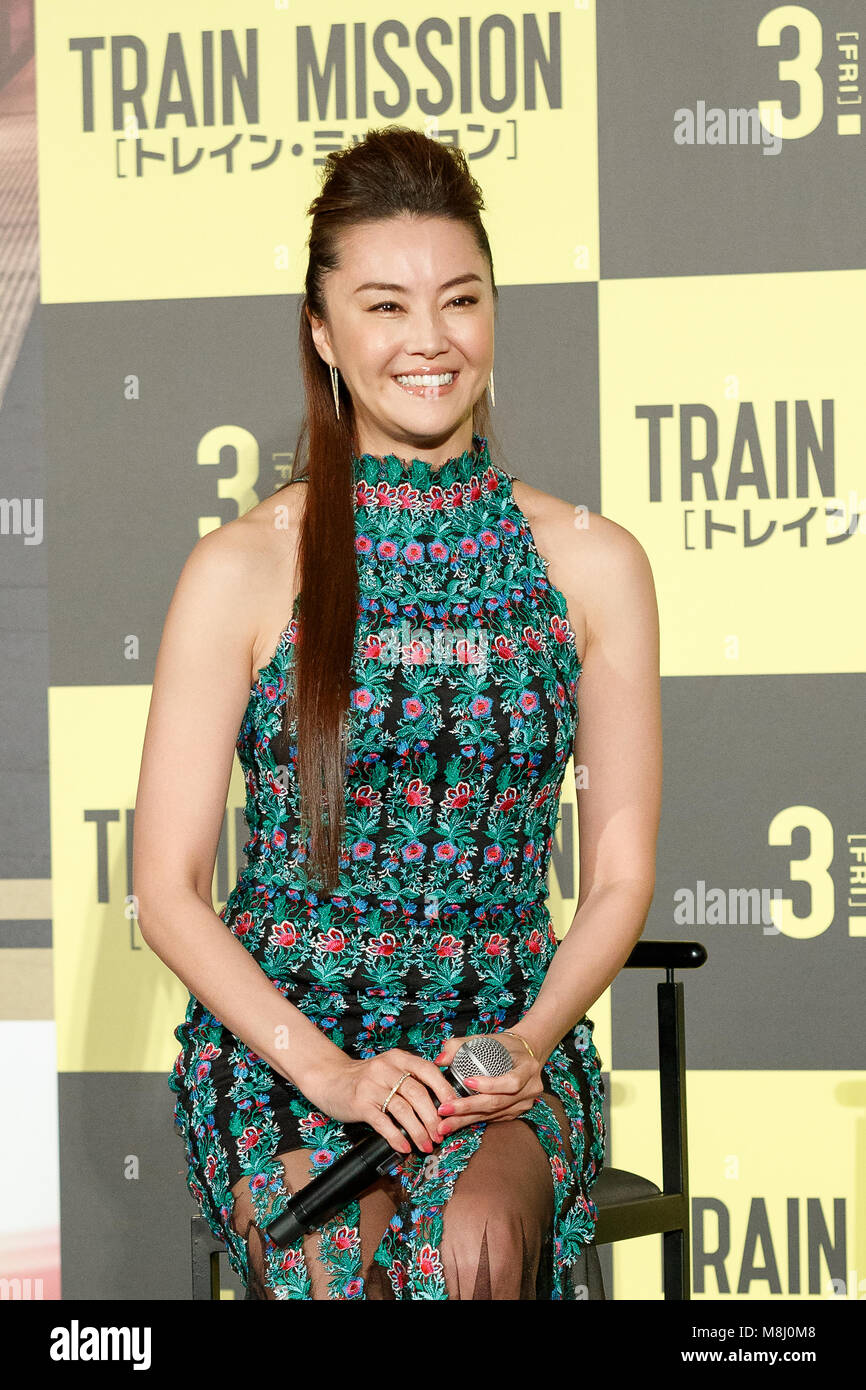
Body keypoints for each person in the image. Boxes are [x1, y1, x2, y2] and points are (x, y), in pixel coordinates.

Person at [133, 125, 661, 1300]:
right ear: (322, 331)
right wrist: (328, 1072)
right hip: (286, 1053)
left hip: (502, 1052)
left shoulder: (592, 564)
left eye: (458, 300)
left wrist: (527, 1042)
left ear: (491, 311)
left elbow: (618, 872)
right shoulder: (241, 566)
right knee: (350, 1259)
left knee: (465, 1241)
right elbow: (164, 885)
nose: (428, 341)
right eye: (383, 306)